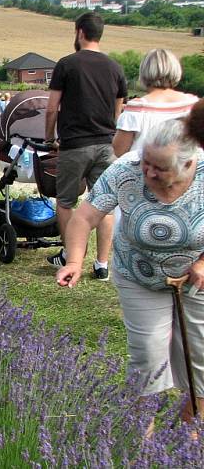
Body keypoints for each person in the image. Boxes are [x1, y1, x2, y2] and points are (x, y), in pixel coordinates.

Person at [56, 118, 204, 426]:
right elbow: (84, 218)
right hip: (140, 274)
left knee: (201, 355)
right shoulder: (126, 169)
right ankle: (144, 435)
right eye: (147, 161)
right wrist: (74, 261)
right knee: (148, 355)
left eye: (160, 168)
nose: (148, 171)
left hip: (196, 276)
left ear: (188, 163)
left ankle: (191, 427)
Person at [44, 12, 128, 280]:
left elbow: (51, 109)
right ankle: (102, 264)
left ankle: (70, 257)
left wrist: (49, 138)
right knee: (104, 204)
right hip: (106, 144)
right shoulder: (115, 67)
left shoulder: (67, 64)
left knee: (66, 201)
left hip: (74, 144)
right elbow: (119, 108)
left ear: (80, 32)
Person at [113, 49, 199, 157]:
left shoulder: (137, 109)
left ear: (144, 72)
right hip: (187, 170)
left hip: (145, 170)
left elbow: (118, 152)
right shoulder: (193, 104)